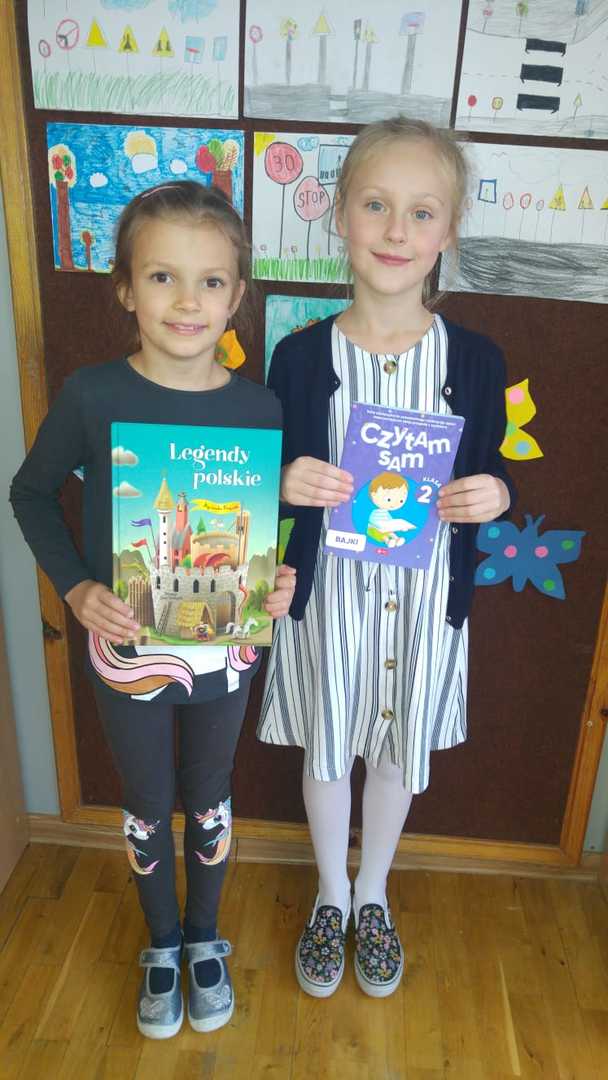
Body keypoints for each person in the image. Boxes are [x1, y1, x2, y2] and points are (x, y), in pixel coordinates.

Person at [10, 181, 295, 1039]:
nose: (187, 301)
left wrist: (277, 581)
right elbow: (30, 493)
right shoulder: (92, 395)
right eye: (163, 276)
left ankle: (204, 936)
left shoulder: (259, 408)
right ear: (126, 289)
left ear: (237, 297)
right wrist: (76, 587)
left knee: (209, 793)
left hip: (223, 650)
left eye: (211, 281)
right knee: (146, 796)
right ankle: (162, 942)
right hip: (128, 646)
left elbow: (259, 528)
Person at [257, 117, 515, 1000]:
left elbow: (491, 467)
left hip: (426, 597)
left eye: (421, 212)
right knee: (329, 748)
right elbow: (265, 482)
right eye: (376, 205)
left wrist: (496, 493)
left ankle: (373, 893)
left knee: (399, 753)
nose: (397, 231)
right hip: (330, 599)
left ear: (448, 231)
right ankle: (331, 893)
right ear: (340, 216)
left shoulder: (475, 361)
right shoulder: (299, 357)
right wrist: (284, 482)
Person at [367, 472, 414, 547]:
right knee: (382, 535)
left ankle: (397, 539)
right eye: (389, 499)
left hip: (385, 529)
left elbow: (391, 522)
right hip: (373, 529)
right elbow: (372, 521)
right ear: (374, 495)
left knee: (391, 533)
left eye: (401, 500)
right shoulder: (375, 512)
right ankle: (387, 541)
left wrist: (401, 527)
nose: (394, 504)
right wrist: (381, 526)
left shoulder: (386, 513)